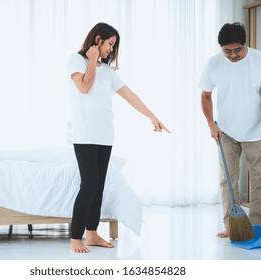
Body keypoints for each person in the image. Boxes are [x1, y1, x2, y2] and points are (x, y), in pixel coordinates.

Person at [68, 22, 170, 253]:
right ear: (97, 40)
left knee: (99, 187)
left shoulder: (108, 71)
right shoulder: (76, 60)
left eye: (114, 46)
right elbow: (84, 87)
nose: (111, 50)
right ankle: (75, 236)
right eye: (110, 44)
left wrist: (151, 116)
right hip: (85, 135)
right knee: (89, 184)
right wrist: (93, 60)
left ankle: (92, 234)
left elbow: (129, 95)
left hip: (105, 136)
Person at [199, 22, 261, 238]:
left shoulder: (260, 60)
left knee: (259, 180)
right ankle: (233, 226)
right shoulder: (214, 63)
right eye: (227, 51)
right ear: (221, 48)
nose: (233, 55)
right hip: (226, 132)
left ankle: (258, 227)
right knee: (227, 181)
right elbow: (205, 95)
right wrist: (211, 124)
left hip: (257, 131)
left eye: (237, 50)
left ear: (245, 45)